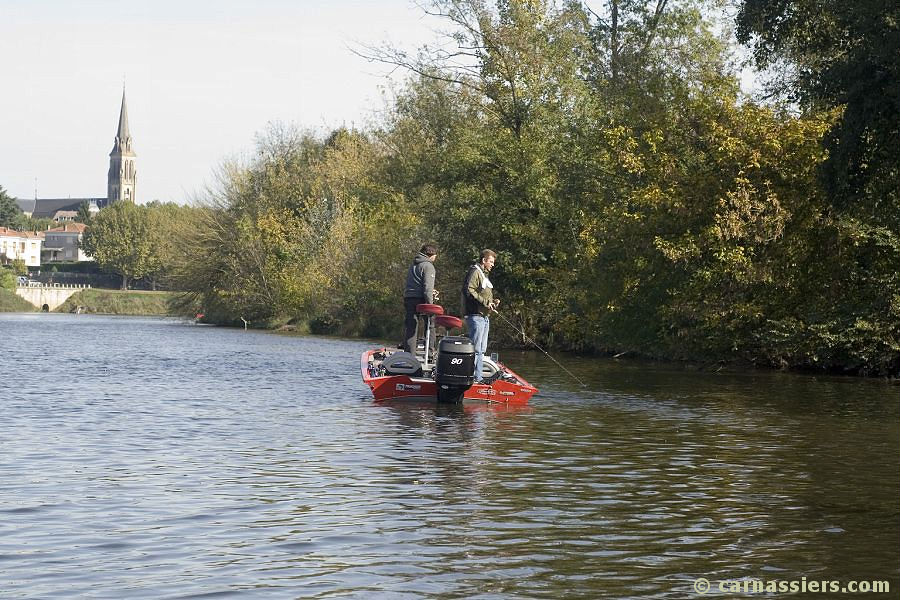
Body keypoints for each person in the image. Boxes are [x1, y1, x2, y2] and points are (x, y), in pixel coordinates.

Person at [461, 249, 500, 382]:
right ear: (484, 260)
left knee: (481, 350)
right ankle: (474, 378)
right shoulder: (475, 271)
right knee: (476, 349)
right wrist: (484, 302)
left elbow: (481, 293)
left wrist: (493, 302)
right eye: (491, 262)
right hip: (476, 315)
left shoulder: (484, 274)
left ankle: (478, 377)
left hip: (484, 317)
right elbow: (468, 290)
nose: (492, 265)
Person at [402, 243, 439, 354]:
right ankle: (430, 352)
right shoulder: (428, 266)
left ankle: (409, 355)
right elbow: (427, 288)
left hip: (409, 298)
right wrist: (430, 305)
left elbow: (416, 283)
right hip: (421, 299)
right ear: (431, 254)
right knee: (430, 324)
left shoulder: (413, 265)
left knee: (411, 327)